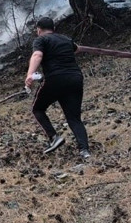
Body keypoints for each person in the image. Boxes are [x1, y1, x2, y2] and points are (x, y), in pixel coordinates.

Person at [25, 17, 91, 160]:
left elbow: (37, 55)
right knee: (74, 118)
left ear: (39, 29)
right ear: (53, 28)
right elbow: (77, 49)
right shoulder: (65, 39)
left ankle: (54, 137)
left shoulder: (41, 40)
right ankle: (85, 151)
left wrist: (30, 74)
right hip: (75, 78)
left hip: (55, 79)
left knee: (37, 109)